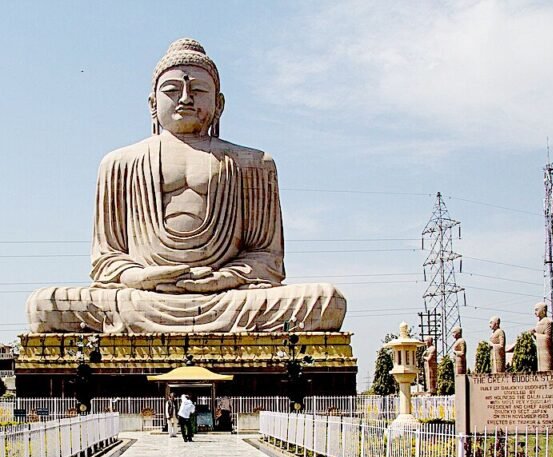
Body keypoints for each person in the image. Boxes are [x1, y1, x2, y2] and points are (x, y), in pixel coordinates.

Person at [26, 38, 346, 333]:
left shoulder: (254, 163)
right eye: (171, 90)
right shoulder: (119, 163)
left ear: (219, 104)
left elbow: (266, 257)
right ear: (153, 103)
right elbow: (106, 258)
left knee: (326, 301)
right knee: (45, 305)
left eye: (198, 91)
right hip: (142, 296)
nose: (184, 99)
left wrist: (221, 279)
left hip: (227, 298)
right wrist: (141, 276)